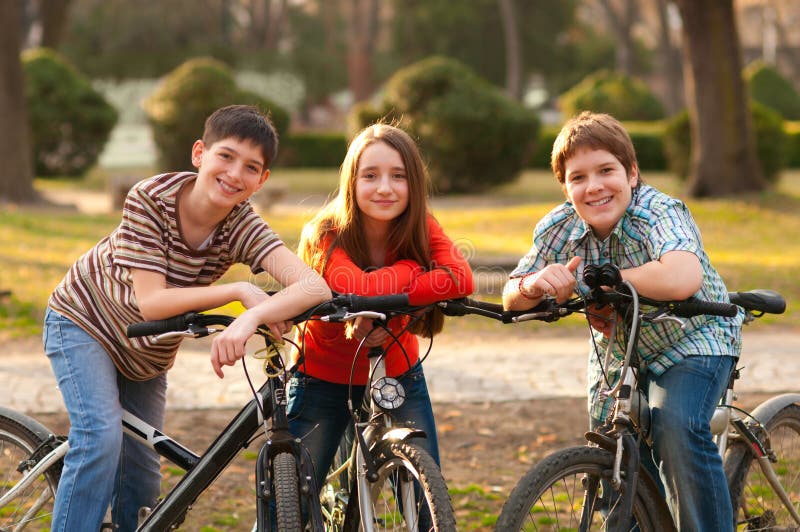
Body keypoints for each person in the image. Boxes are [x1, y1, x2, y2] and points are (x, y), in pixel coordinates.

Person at [43, 104, 331, 531]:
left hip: (147, 352)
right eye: (226, 156)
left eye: (251, 167)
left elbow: (314, 287)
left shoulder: (241, 225)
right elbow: (152, 302)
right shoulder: (150, 199)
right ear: (200, 153)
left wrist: (250, 319)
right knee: (100, 440)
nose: (235, 174)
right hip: (85, 324)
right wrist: (237, 292)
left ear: (261, 181)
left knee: (141, 474)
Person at [502, 111, 742, 531]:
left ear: (632, 174)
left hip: (693, 339)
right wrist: (535, 285)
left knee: (676, 426)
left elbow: (683, 275)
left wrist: (610, 284)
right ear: (565, 187)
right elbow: (510, 296)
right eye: (578, 177)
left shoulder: (659, 212)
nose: (593, 187)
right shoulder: (559, 226)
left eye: (606, 170)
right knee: (614, 447)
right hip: (620, 352)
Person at [282, 122, 473, 495]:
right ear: (351, 182)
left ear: (413, 184)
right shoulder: (326, 231)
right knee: (293, 501)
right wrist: (413, 271)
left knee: (426, 497)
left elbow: (461, 278)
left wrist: (396, 285)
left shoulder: (422, 227)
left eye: (398, 176)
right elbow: (355, 287)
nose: (385, 187)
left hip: (397, 373)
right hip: (321, 378)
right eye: (370, 175)